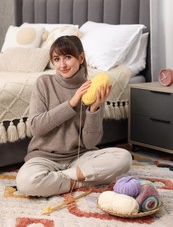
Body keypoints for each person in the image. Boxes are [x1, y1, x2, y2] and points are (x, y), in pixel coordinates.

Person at [16, 35, 132, 197]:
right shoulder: (44, 83)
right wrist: (71, 103)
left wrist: (94, 109)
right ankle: (79, 180)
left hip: (80, 158)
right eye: (56, 59)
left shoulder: (94, 89)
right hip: (45, 157)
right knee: (25, 183)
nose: (61, 65)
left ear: (81, 57)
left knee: (124, 158)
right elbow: (37, 127)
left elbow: (90, 142)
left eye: (68, 57)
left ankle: (60, 180)